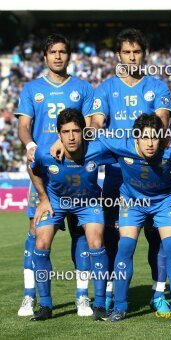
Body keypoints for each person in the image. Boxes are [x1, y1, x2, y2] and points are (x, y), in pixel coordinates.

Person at [82, 29, 171, 313]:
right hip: (116, 174)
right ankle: (111, 291)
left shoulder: (157, 87)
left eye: (137, 52)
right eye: (127, 52)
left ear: (143, 55)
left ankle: (158, 293)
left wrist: (139, 144)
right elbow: (97, 123)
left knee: (157, 238)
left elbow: (162, 122)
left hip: (150, 175)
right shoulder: (106, 88)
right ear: (119, 56)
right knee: (115, 238)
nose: (132, 57)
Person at [98, 114, 171, 322]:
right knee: (125, 247)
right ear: (136, 138)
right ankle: (120, 306)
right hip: (132, 202)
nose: (150, 143)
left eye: (155, 137)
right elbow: (89, 137)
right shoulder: (119, 144)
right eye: (145, 138)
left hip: (163, 202)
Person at [16, 34, 95, 317]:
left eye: (63, 51)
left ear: (69, 55)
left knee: (82, 235)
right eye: (53, 52)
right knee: (35, 234)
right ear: (45, 56)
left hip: (77, 173)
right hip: (41, 174)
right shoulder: (31, 88)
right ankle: (30, 297)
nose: (58, 56)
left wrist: (68, 140)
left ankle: (82, 297)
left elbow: (91, 125)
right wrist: (31, 145)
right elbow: (24, 126)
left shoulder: (83, 88)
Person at [28, 108, 115, 321]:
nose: (71, 136)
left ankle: (101, 304)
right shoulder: (45, 153)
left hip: (88, 203)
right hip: (56, 202)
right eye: (66, 132)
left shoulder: (97, 149)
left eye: (76, 131)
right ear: (59, 134)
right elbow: (31, 167)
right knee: (41, 243)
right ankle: (45, 305)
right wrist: (43, 198)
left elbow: (126, 151)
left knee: (95, 241)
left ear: (83, 132)